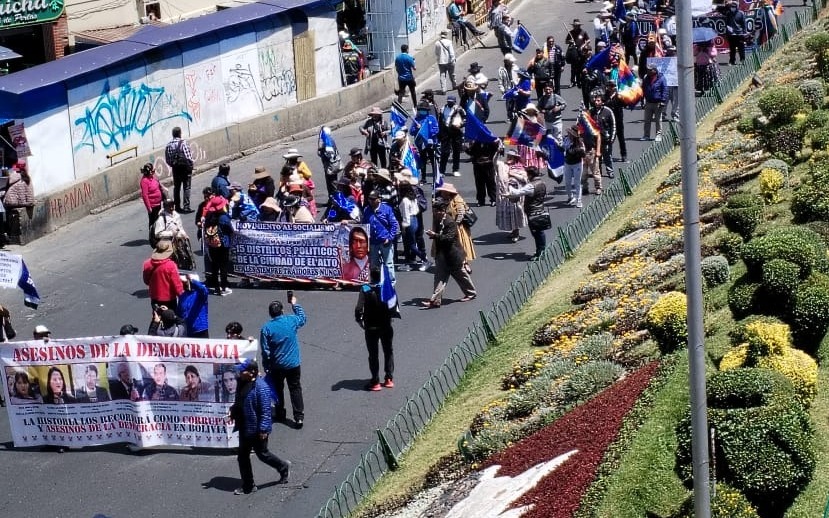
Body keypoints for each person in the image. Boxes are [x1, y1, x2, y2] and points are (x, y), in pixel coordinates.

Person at [229, 358, 291, 495]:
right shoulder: (242, 382)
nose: (239, 373)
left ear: (252, 372)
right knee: (242, 457)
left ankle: (283, 467)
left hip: (256, 429)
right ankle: (249, 485)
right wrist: (233, 412)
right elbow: (239, 401)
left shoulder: (261, 387)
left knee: (262, 454)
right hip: (244, 426)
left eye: (242, 371)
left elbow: (265, 411)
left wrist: (264, 429)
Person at [260, 296, 307, 428]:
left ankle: (280, 413)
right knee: (295, 388)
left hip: (277, 365)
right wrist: (295, 304)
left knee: (278, 389)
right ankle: (299, 417)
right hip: (293, 364)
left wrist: (266, 366)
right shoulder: (290, 321)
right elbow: (302, 318)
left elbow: (265, 351)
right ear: (282, 311)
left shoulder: (266, 328)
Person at [422, 199, 477, 308]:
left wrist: (435, 235)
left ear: (442, 211)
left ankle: (471, 293)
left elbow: (449, 238)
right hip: (442, 255)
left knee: (461, 275)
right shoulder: (438, 220)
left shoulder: (450, 222)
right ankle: (435, 300)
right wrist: (434, 236)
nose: (435, 213)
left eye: (436, 211)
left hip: (453, 255)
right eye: (434, 211)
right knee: (439, 278)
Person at [355, 267, 396, 391]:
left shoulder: (365, 289)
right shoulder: (387, 288)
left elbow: (358, 308)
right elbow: (393, 305)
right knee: (388, 351)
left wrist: (359, 321)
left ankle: (375, 381)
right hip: (386, 325)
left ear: (371, 276)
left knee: (373, 354)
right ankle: (389, 378)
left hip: (371, 326)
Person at [435, 183, 476, 271]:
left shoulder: (457, 200)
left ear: (448, 192)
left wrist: (454, 225)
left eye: (443, 191)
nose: (441, 192)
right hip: (446, 226)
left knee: (460, 246)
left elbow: (460, 214)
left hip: (457, 227)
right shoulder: (442, 199)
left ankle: (465, 264)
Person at [509, 166, 547, 259]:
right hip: (540, 209)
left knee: (536, 233)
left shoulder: (531, 186)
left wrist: (509, 187)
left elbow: (518, 192)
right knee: (540, 232)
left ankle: (540, 253)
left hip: (532, 211)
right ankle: (541, 250)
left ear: (530, 175)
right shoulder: (542, 183)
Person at [362, 190, 399, 286]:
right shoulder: (367, 210)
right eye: (369, 199)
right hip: (373, 242)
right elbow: (364, 224)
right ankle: (376, 281)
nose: (371, 201)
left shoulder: (387, 209)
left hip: (384, 241)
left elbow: (394, 225)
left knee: (388, 263)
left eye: (373, 199)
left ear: (379, 199)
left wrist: (390, 237)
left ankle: (391, 283)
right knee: (374, 264)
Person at [202, 196, 235, 296]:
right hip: (223, 244)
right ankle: (224, 286)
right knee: (223, 266)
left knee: (214, 266)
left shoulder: (209, 216)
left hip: (212, 244)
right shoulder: (224, 217)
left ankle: (216, 287)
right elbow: (230, 230)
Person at [495, 149, 528, 243]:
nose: (508, 158)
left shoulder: (520, 168)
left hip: (516, 195)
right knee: (509, 213)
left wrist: (513, 174)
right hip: (505, 194)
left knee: (515, 213)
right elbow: (494, 162)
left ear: (515, 158)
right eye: (508, 156)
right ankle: (513, 231)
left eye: (511, 157)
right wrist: (497, 152)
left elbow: (524, 179)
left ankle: (516, 232)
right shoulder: (503, 166)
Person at [142, 241, 184, 311]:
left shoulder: (147, 264)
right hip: (169, 299)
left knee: (157, 317)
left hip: (154, 297)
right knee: (171, 319)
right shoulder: (171, 265)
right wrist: (182, 295)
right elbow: (177, 285)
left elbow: (146, 281)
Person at [397, 180, 429, 272]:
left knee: (410, 245)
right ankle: (413, 262)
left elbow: (406, 216)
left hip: (409, 222)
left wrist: (403, 227)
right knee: (412, 243)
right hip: (415, 220)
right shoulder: (413, 197)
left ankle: (425, 260)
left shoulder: (405, 200)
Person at [164, 126, 194, 214]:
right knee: (186, 187)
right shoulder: (183, 143)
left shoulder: (168, 145)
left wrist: (173, 165)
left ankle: (177, 206)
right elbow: (188, 156)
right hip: (185, 169)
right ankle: (186, 206)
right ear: (180, 133)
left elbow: (168, 159)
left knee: (177, 188)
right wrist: (190, 166)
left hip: (176, 169)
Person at [589, 91, 616, 179]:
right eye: (595, 101)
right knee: (597, 157)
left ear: (602, 102)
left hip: (606, 139)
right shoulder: (591, 111)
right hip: (594, 140)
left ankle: (610, 171)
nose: (596, 102)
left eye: (598, 101)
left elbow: (613, 125)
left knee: (607, 156)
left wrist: (611, 138)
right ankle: (598, 171)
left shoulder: (608, 112)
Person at [467, 138, 499, 207]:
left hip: (488, 166)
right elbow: (471, 152)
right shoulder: (476, 143)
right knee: (479, 184)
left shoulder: (490, 143)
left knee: (490, 183)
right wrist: (466, 149)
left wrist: (497, 145)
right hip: (478, 166)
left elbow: (496, 150)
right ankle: (481, 200)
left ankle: (493, 200)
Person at [438, 95, 466, 178]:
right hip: (445, 132)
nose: (450, 103)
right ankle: (442, 171)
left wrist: (460, 124)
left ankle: (455, 169)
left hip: (456, 132)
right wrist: (440, 133)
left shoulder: (459, 109)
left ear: (454, 102)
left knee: (456, 151)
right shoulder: (442, 109)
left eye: (451, 102)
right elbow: (440, 121)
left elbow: (465, 118)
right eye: (448, 101)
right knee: (444, 152)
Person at [140, 163, 165, 246]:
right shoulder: (144, 181)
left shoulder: (153, 178)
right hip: (152, 205)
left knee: (159, 221)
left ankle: (158, 235)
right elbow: (145, 195)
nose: (153, 172)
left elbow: (158, 186)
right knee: (153, 222)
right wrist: (149, 207)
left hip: (158, 203)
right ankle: (153, 238)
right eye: (152, 171)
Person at [642, 63, 668, 142]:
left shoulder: (661, 78)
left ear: (655, 70)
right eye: (648, 70)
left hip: (658, 103)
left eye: (650, 70)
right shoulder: (646, 78)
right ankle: (646, 135)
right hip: (648, 102)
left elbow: (665, 90)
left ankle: (658, 134)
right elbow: (643, 89)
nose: (648, 71)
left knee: (658, 120)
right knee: (647, 120)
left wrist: (663, 101)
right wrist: (642, 101)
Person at [604, 81, 628, 163]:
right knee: (609, 138)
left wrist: (623, 99)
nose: (612, 87)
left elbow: (625, 104)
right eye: (610, 86)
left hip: (618, 120)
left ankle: (624, 155)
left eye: (613, 86)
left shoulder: (619, 96)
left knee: (621, 138)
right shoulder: (605, 96)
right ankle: (608, 155)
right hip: (609, 120)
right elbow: (605, 104)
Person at [563, 126, 587, 208]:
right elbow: (563, 148)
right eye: (569, 133)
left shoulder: (580, 143)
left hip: (577, 164)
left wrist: (576, 151)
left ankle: (579, 200)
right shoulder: (566, 139)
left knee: (577, 182)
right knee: (567, 182)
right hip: (567, 163)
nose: (569, 134)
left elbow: (583, 154)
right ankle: (570, 197)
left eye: (571, 133)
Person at [565, 19, 590, 87]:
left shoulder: (583, 32)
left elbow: (588, 40)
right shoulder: (571, 32)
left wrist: (583, 45)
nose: (576, 27)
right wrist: (570, 41)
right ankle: (573, 82)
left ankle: (580, 81)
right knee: (573, 68)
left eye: (577, 25)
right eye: (575, 26)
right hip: (573, 52)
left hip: (581, 52)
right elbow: (566, 41)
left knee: (581, 67)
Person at [723, 0, 746, 65]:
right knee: (732, 49)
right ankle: (732, 61)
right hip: (731, 34)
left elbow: (744, 24)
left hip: (739, 34)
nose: (732, 8)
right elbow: (726, 23)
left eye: (734, 7)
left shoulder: (741, 13)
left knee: (741, 48)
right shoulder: (728, 13)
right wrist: (727, 32)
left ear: (737, 7)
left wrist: (744, 33)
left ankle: (742, 60)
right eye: (731, 6)